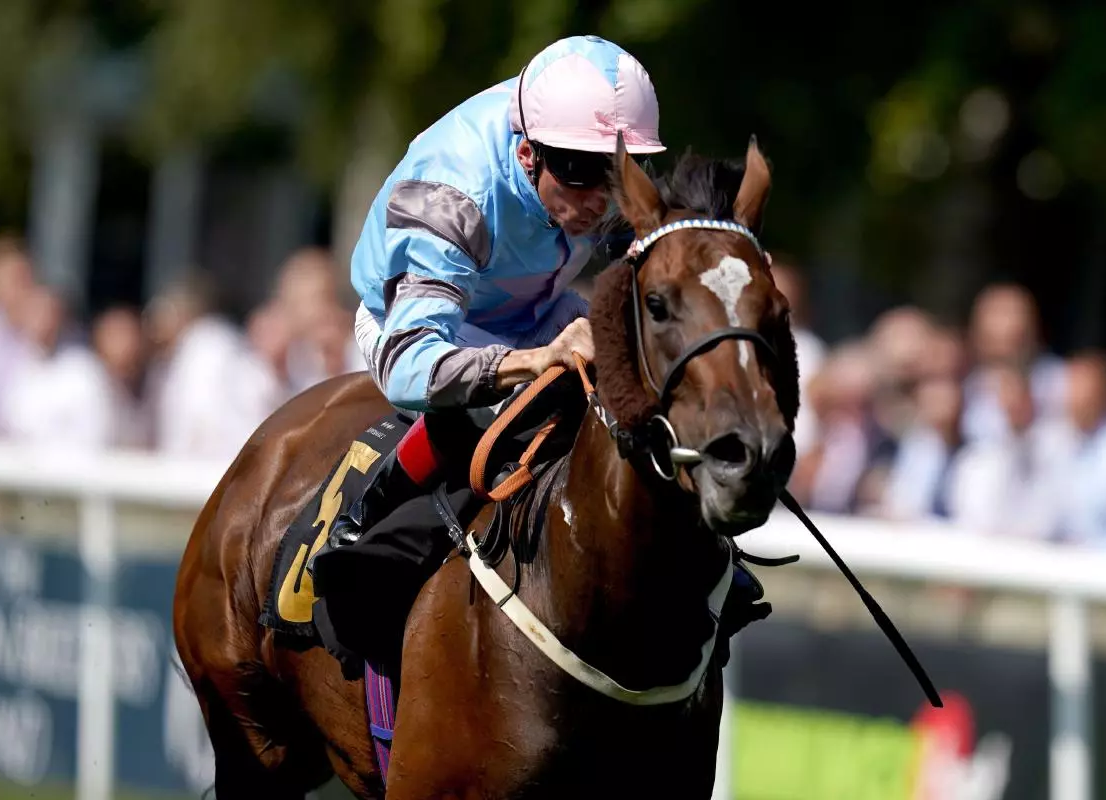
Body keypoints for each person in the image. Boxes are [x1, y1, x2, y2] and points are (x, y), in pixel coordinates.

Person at [306, 35, 765, 642]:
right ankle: (376, 512)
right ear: (527, 155)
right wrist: (538, 359)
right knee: (508, 408)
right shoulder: (452, 195)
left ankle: (704, 550)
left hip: (534, 307)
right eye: (578, 176)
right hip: (418, 324)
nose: (599, 200)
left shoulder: (589, 156)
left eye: (613, 174)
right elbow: (409, 367)